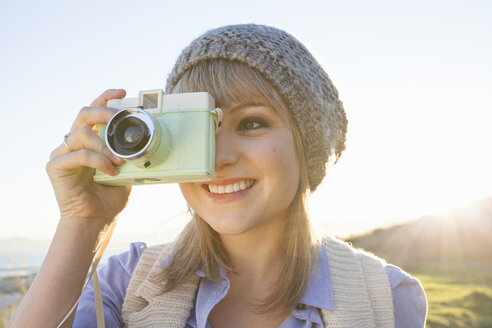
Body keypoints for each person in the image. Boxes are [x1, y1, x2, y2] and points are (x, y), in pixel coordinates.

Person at [8, 24, 427, 328]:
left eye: (252, 124)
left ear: (308, 144)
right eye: (200, 131)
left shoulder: (387, 299)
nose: (219, 157)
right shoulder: (126, 284)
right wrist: (81, 223)